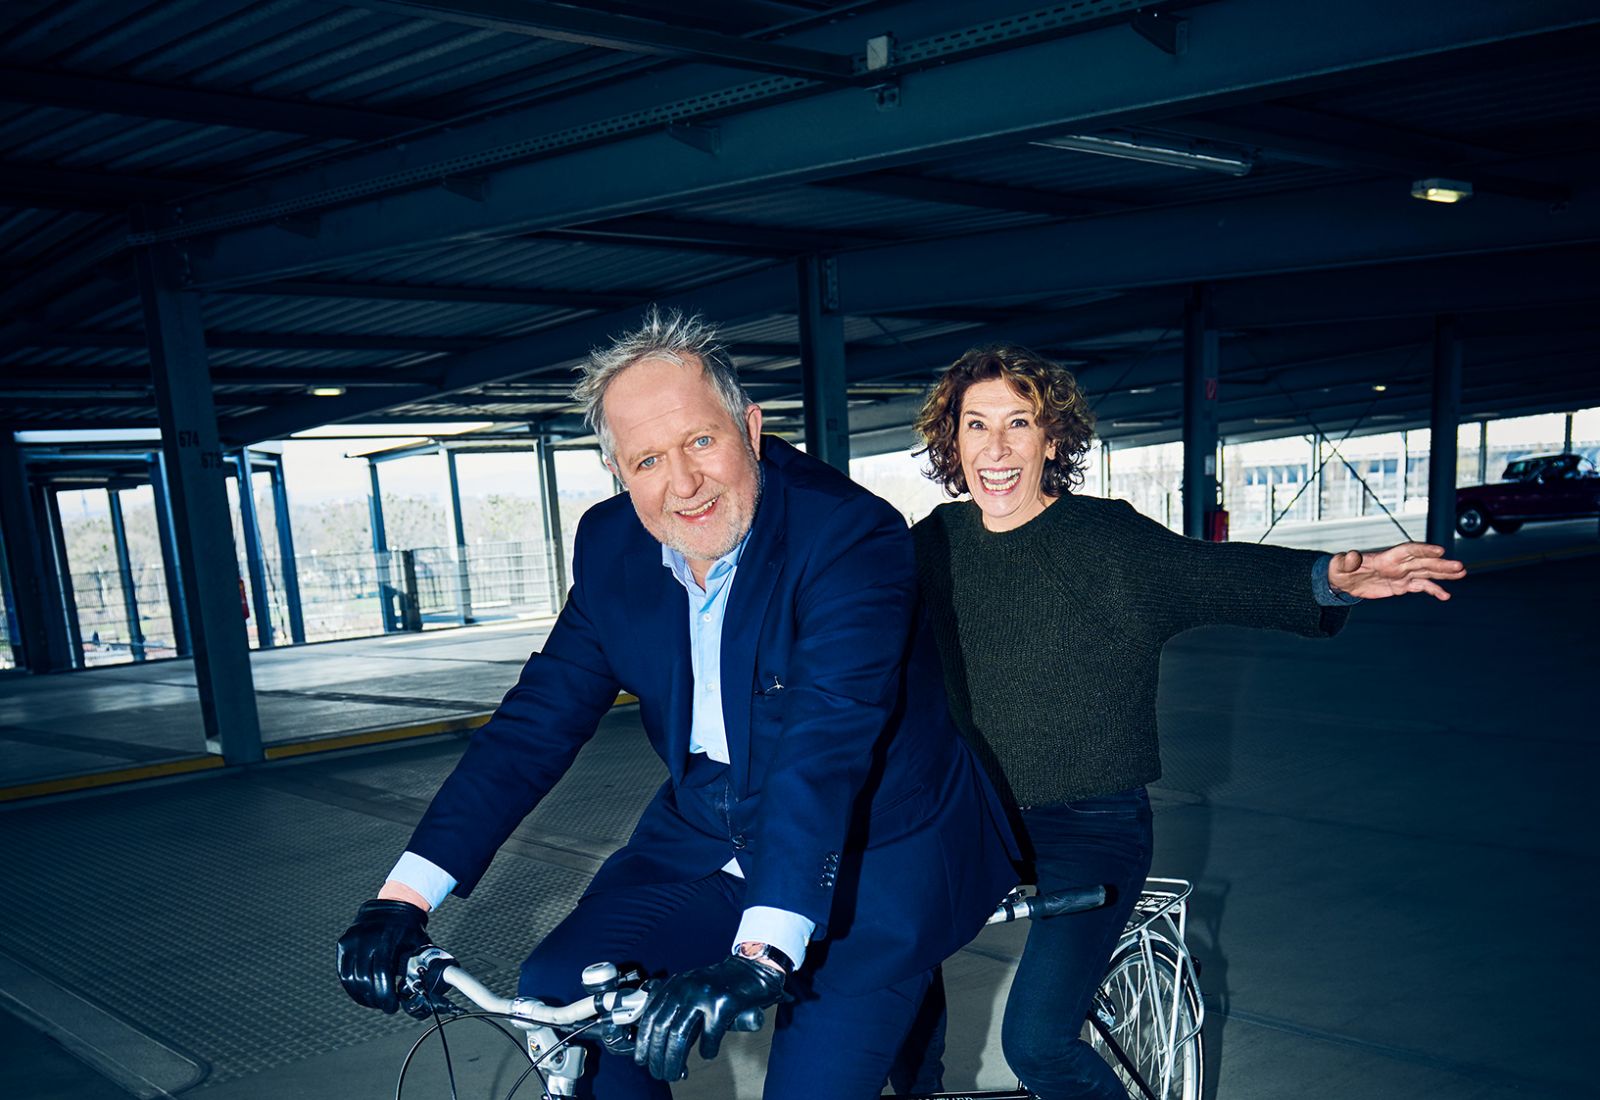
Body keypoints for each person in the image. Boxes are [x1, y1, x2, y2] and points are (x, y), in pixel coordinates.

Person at [335, 308, 1017, 1099]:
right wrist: (401, 899)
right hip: (705, 831)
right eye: (648, 459)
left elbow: (821, 750)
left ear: (751, 429)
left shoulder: (849, 539)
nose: (683, 483)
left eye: (701, 441)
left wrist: (759, 955)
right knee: (564, 1000)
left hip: (874, 848)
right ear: (620, 472)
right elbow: (532, 727)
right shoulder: (611, 548)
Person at [899, 344, 1466, 1099]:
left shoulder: (1106, 540)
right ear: (953, 441)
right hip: (969, 818)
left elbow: (1216, 577)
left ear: (1053, 439)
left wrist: (1329, 580)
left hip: (1089, 824)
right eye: (976, 425)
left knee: (1037, 1045)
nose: (996, 449)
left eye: (1019, 423)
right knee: (882, 987)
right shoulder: (932, 544)